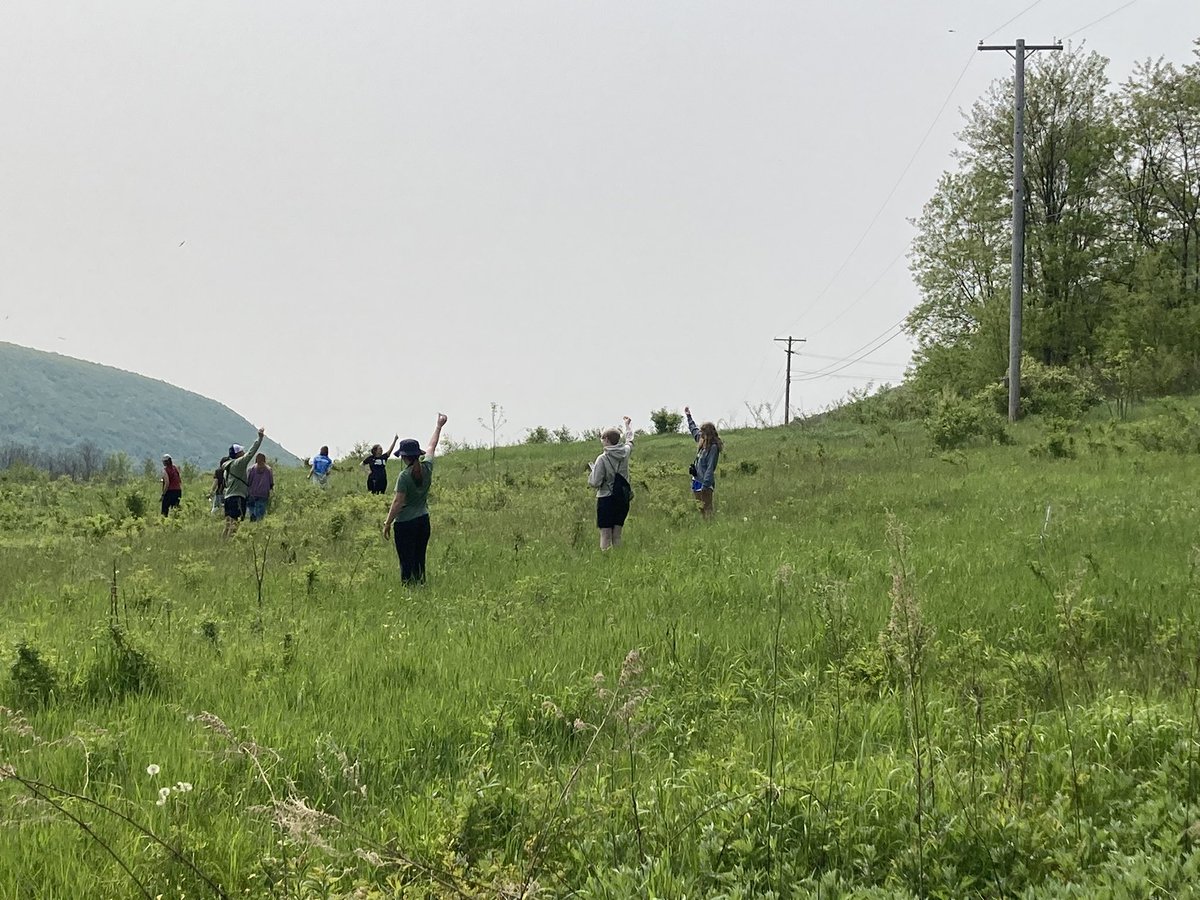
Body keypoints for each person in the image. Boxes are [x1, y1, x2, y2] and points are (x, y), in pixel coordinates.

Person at [383, 413, 447, 584]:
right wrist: (439, 426)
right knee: (420, 558)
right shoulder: (427, 467)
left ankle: (409, 591)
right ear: (417, 454)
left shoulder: (404, 476)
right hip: (423, 520)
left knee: (406, 561)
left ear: (404, 457)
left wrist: (387, 523)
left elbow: (398, 502)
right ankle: (421, 585)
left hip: (405, 524)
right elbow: (432, 445)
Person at [587, 416, 634, 550]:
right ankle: (619, 560)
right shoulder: (625, 452)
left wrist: (592, 473)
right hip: (623, 498)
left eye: (602, 439)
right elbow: (630, 440)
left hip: (606, 498)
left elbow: (595, 482)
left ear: (606, 440)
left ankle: (607, 561)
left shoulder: (602, 458)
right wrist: (627, 425)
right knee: (617, 535)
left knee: (605, 534)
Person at [221, 428, 265, 537]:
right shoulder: (238, 464)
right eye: (241, 451)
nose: (243, 453)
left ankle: (222, 543)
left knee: (228, 524)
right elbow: (251, 453)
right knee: (236, 523)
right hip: (237, 497)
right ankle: (231, 543)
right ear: (237, 454)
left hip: (228, 498)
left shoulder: (227, 467)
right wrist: (259, 438)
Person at [685, 406, 722, 518]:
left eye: (703, 433)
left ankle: (710, 527)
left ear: (708, 433)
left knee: (708, 508)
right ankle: (704, 525)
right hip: (696, 480)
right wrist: (688, 416)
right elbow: (694, 430)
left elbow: (710, 468)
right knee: (700, 508)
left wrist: (706, 485)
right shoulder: (702, 441)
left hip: (705, 482)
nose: (701, 435)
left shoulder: (713, 448)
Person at [246, 453, 274, 522]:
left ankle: (252, 516)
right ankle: (258, 522)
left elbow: (248, 481)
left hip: (252, 492)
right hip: (264, 493)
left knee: (251, 506)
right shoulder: (268, 470)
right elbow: (271, 482)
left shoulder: (251, 469)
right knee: (261, 509)